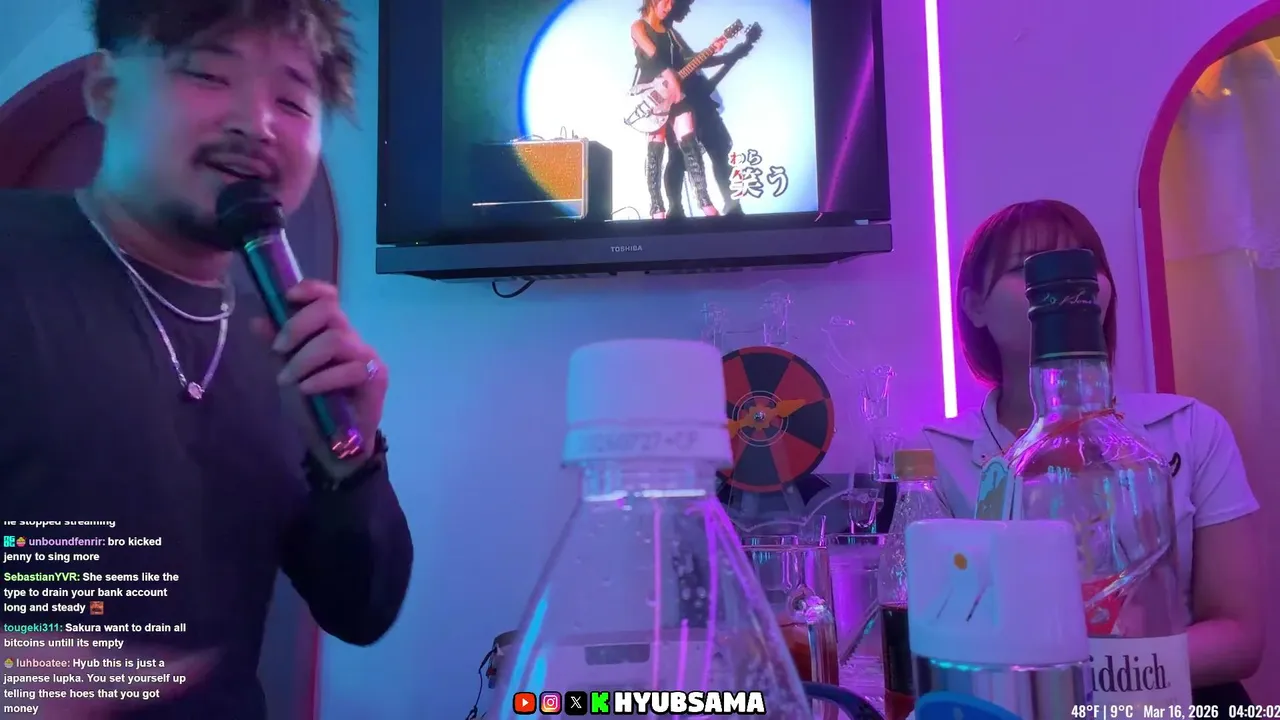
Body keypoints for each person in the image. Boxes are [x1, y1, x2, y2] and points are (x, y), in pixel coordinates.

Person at [0, 1, 412, 718]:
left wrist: (351, 458)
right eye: (208, 75)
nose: (258, 124)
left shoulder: (284, 348)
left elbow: (360, 609)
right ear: (105, 90)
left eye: (293, 100)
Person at [920, 200, 1262, 707]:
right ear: (974, 306)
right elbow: (936, 637)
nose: (1064, 286)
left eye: (1085, 265)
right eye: (1025, 267)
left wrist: (1106, 676)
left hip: (1178, 702)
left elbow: (1240, 636)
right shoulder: (934, 457)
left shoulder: (1189, 428)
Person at [662, 0, 759, 218]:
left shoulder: (673, 34)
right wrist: (728, 55)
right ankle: (675, 209)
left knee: (718, 153)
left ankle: (732, 206)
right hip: (676, 105)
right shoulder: (657, 33)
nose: (688, 10)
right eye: (685, 5)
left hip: (698, 102)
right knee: (677, 157)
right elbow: (693, 61)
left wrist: (733, 55)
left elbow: (698, 74)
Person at [631, 0, 720, 219]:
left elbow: (689, 60)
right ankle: (656, 205)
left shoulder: (671, 33)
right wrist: (671, 78)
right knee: (656, 149)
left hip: (676, 93)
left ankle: (704, 200)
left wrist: (713, 51)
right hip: (651, 96)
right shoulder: (638, 26)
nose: (670, 6)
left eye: (673, 2)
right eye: (667, 0)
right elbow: (654, 56)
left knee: (689, 140)